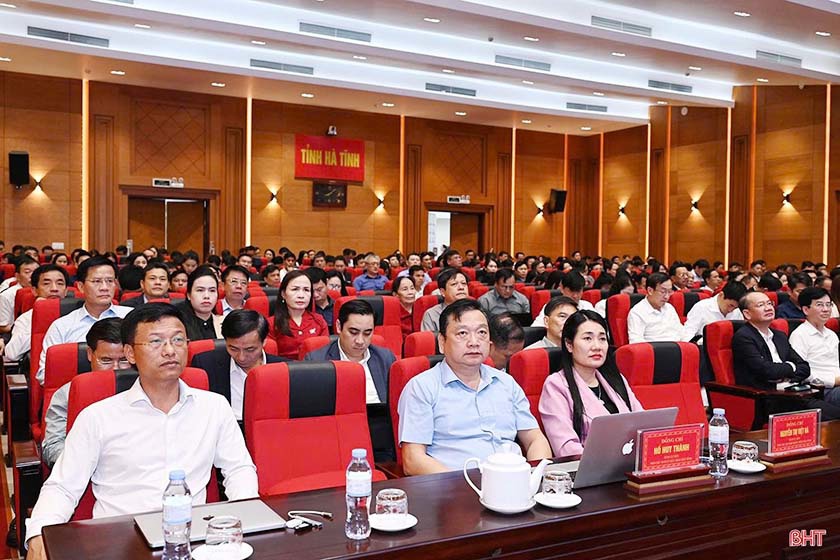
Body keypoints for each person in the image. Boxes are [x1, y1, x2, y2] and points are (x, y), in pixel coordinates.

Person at [24, 303, 258, 560]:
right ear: (130, 353)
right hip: (117, 544)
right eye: (156, 342)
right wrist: (38, 533)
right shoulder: (98, 417)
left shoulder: (214, 407)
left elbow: (239, 469)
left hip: (191, 542)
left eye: (178, 340)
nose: (170, 350)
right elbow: (63, 487)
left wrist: (246, 519)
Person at [397, 299, 551, 474]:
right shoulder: (422, 388)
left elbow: (535, 439)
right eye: (462, 333)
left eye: (482, 333)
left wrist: (535, 476)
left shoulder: (506, 383)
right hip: (455, 485)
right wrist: (461, 485)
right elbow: (413, 460)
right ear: (442, 342)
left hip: (512, 480)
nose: (474, 342)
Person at [539, 310, 644, 457]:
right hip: (586, 467)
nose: (597, 346)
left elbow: (643, 425)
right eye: (588, 338)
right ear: (569, 345)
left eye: (602, 339)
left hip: (629, 462)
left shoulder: (616, 379)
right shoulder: (556, 385)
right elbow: (565, 447)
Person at [305, 299, 397, 461]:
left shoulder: (385, 358)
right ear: (339, 327)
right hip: (336, 438)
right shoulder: (316, 361)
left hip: (380, 439)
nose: (360, 341)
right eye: (353, 332)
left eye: (367, 333)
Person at [732, 291, 840, 420]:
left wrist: (787, 372)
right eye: (761, 305)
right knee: (834, 415)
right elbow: (767, 370)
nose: (768, 308)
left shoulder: (779, 336)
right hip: (768, 397)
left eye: (769, 303)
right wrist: (791, 367)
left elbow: (804, 367)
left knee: (832, 413)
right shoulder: (744, 337)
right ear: (747, 314)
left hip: (794, 393)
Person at [41, 318, 130, 468]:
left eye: (123, 360)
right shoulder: (68, 393)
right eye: (106, 360)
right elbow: (53, 446)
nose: (115, 368)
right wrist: (89, 464)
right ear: (90, 354)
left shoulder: (150, 390)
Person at [38, 257, 132, 385]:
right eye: (97, 281)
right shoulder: (62, 326)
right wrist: (82, 386)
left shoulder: (132, 318)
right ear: (81, 286)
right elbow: (44, 374)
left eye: (110, 281)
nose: (104, 287)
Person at [190, 309, 287, 421]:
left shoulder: (284, 370)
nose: (241, 357)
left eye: (250, 349)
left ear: (264, 341)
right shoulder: (205, 365)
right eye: (233, 349)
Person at [4, 265, 69, 362]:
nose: (54, 288)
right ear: (34, 291)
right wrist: (40, 316)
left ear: (66, 291)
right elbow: (12, 354)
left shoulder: (77, 316)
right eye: (46, 284)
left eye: (60, 283)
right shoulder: (26, 319)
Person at [789, 287, 840, 405]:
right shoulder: (799, 335)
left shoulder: (832, 335)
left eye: (828, 305)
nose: (826, 309)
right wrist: (833, 381)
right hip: (820, 390)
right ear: (806, 310)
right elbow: (800, 372)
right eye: (820, 305)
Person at [269, 270, 328, 359]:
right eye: (295, 289)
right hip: (283, 367)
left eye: (306, 290)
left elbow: (325, 354)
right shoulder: (271, 324)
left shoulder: (319, 321)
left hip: (315, 366)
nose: (301, 295)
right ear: (283, 294)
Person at [680, 281, 746, 344]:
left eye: (735, 307)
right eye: (730, 305)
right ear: (721, 295)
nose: (731, 310)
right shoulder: (701, 307)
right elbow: (688, 334)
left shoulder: (736, 311)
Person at [627, 272, 682, 344]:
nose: (667, 296)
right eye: (663, 291)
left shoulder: (669, 308)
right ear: (650, 291)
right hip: (655, 349)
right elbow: (636, 342)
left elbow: (681, 332)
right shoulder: (637, 312)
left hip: (677, 347)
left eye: (669, 292)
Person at [177, 266, 223, 341]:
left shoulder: (224, 322)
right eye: (200, 290)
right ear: (189, 295)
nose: (206, 296)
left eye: (212, 290)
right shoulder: (177, 324)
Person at [420, 268, 469, 334]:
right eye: (454, 284)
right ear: (442, 292)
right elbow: (429, 339)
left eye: (464, 283)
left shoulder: (476, 311)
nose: (461, 287)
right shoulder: (432, 314)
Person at [0, 255, 39, 333]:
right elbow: (2, 327)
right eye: (27, 272)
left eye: (36, 272)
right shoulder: (6, 295)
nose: (33, 276)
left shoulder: (46, 292)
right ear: (17, 276)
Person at [306, 267, 335, 333]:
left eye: (319, 290)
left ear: (327, 283)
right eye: (311, 291)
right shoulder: (303, 310)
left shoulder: (337, 307)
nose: (315, 295)